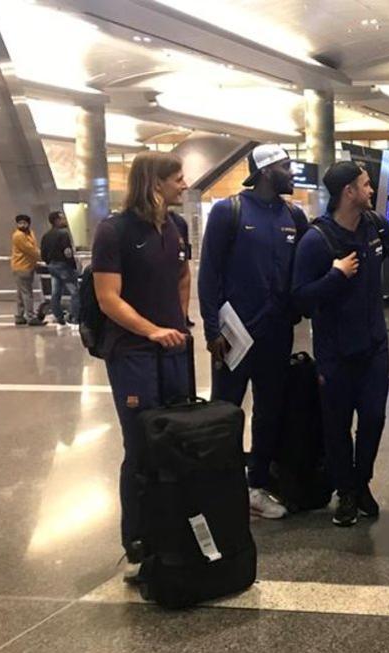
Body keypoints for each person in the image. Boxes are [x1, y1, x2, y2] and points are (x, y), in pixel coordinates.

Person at [293, 162, 389, 526]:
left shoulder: (375, 226)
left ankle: (360, 481)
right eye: (365, 185)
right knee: (337, 425)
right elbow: (299, 299)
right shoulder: (317, 240)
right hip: (335, 353)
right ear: (348, 191)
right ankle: (345, 491)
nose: (370, 190)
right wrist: (335, 276)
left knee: (375, 418)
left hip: (374, 347)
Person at [91, 151, 191, 581]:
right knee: (141, 446)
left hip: (172, 350)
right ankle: (137, 540)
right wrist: (151, 329)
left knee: (175, 442)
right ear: (155, 183)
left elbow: (183, 276)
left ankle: (171, 531)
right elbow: (107, 297)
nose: (185, 185)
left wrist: (180, 321)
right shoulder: (114, 231)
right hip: (132, 353)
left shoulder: (176, 226)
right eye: (178, 179)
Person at [198, 144, 308, 520]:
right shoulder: (229, 211)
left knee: (269, 410)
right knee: (226, 410)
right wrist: (212, 328)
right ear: (265, 171)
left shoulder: (294, 215)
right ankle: (220, 485)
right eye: (286, 166)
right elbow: (209, 273)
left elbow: (304, 272)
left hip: (276, 333)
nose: (292, 173)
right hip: (234, 333)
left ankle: (256, 483)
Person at [40, 211, 80, 325]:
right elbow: (68, 252)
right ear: (56, 220)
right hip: (64, 266)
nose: (64, 220)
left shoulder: (46, 236)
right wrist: (73, 265)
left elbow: (43, 254)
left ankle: (58, 315)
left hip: (52, 266)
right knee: (74, 292)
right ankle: (74, 316)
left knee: (56, 292)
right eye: (62, 218)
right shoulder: (63, 234)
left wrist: (49, 262)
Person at [10, 214, 43, 326]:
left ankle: (19, 316)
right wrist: (44, 257)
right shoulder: (18, 236)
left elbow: (34, 247)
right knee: (27, 293)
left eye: (24, 223)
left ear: (28, 223)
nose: (22, 225)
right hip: (21, 267)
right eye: (19, 223)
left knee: (21, 292)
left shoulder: (30, 233)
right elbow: (30, 250)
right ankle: (30, 316)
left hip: (28, 266)